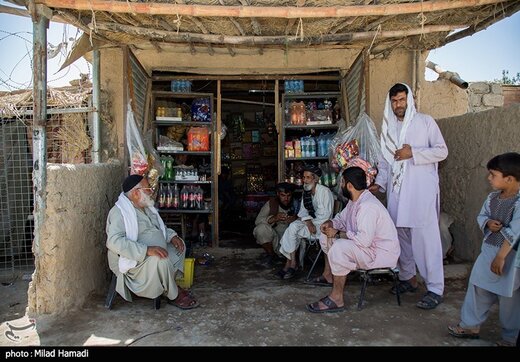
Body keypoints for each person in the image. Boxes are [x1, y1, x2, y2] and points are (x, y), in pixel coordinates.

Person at [370, 82, 448, 310]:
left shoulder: (425, 122)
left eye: (402, 99)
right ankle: (408, 278)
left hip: (420, 192)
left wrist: (413, 153)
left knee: (426, 240)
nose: (398, 104)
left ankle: (435, 288)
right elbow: (385, 162)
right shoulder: (388, 128)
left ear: (409, 100)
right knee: (400, 235)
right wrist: (379, 185)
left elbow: (442, 151)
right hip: (397, 192)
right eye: (394, 101)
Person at [448, 152, 520, 346]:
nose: (489, 178)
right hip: (489, 250)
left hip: (510, 257)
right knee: (478, 287)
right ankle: (470, 325)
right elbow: (482, 216)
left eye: (493, 175)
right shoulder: (492, 198)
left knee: (509, 298)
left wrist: (501, 257)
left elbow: (515, 231)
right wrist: (488, 222)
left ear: (510, 179)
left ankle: (510, 337)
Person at [306, 167, 400, 312]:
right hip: (367, 249)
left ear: (349, 185)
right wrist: (330, 224)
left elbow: (364, 241)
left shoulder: (368, 206)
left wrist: (338, 234)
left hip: (379, 254)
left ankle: (336, 298)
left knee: (339, 247)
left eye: (342, 182)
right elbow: (341, 220)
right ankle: (335, 275)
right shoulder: (354, 201)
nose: (341, 186)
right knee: (325, 237)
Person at [106, 174, 199, 309]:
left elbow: (160, 229)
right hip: (137, 263)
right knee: (161, 260)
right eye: (147, 188)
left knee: (180, 247)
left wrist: (172, 236)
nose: (151, 191)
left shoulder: (146, 207)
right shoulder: (119, 212)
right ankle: (174, 295)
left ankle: (167, 283)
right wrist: (146, 250)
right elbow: (114, 241)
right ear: (136, 193)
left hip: (153, 254)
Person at [278, 164, 334, 280]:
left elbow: (326, 216)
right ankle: (293, 262)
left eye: (308, 177)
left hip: (323, 226)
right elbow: (303, 211)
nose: (305, 180)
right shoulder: (306, 192)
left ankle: (289, 265)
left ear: (316, 179)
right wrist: (308, 222)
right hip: (311, 224)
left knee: (294, 227)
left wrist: (311, 223)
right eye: (304, 177)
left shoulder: (325, 192)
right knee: (293, 226)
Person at [253, 182, 297, 266]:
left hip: (293, 243)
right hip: (276, 240)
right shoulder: (271, 203)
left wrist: (295, 219)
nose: (286, 199)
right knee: (260, 229)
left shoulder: (297, 204)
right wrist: (274, 218)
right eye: (283, 195)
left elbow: (307, 220)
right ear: (278, 194)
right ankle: (271, 255)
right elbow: (258, 221)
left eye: (289, 196)